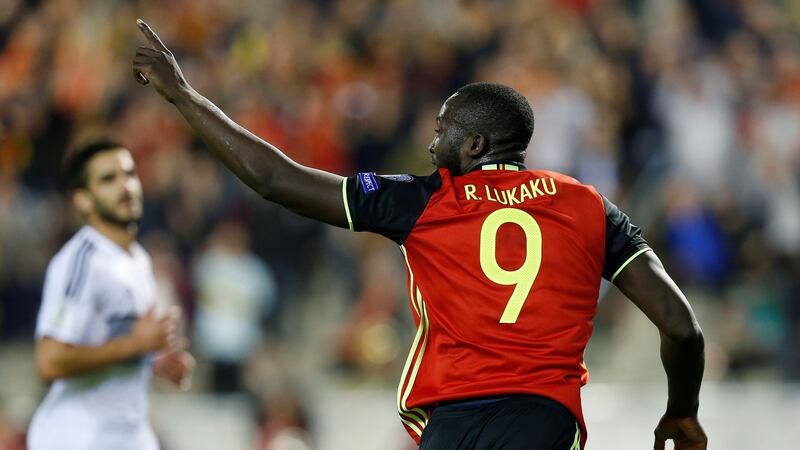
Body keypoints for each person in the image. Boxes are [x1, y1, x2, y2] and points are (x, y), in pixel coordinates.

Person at [132, 20, 707, 450]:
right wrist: (682, 410)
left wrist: (184, 94)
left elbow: (275, 179)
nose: (432, 145)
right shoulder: (588, 206)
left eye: (442, 132)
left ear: (476, 145)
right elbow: (681, 327)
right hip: (543, 420)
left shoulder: (425, 198)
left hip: (450, 423)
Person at [28, 140, 195, 450]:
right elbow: (48, 361)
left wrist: (152, 363)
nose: (126, 186)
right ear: (83, 201)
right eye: (108, 179)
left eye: (129, 174)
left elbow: (113, 343)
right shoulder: (81, 261)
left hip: (128, 434)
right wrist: (138, 344)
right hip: (76, 436)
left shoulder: (139, 260)